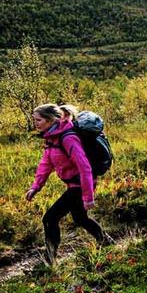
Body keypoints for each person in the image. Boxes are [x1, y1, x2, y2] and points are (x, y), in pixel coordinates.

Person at [25, 103, 107, 265]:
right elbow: (46, 164)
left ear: (50, 120)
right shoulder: (52, 138)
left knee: (50, 218)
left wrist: (88, 196)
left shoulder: (67, 138)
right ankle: (106, 242)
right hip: (74, 185)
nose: (35, 123)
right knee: (80, 218)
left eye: (38, 120)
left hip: (80, 185)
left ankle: (50, 260)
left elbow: (84, 167)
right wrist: (36, 186)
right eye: (35, 120)